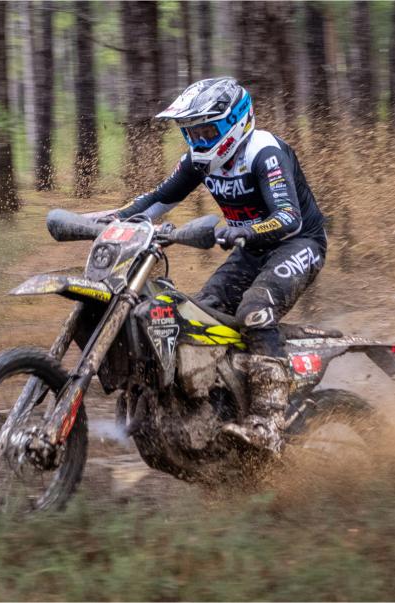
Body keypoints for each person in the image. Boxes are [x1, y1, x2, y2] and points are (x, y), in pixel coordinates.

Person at [114, 77, 327, 454]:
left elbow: (288, 217)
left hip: (298, 244)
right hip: (251, 248)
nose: (198, 140)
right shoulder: (198, 160)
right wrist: (111, 219)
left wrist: (243, 230)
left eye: (206, 130)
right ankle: (220, 400)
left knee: (254, 310)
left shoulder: (264, 152)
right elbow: (159, 200)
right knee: (198, 313)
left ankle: (269, 420)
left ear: (235, 122)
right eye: (191, 132)